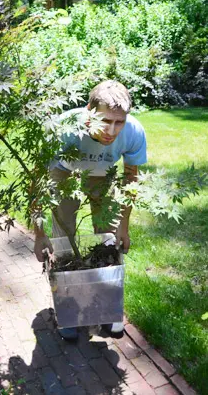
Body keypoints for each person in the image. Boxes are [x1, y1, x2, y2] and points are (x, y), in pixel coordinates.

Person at [33, 80, 147, 340]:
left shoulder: (133, 131)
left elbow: (131, 178)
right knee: (64, 235)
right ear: (89, 112)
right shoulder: (63, 129)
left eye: (119, 122)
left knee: (107, 237)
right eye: (105, 121)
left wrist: (124, 225)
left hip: (102, 175)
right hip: (65, 171)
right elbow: (37, 182)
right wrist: (39, 234)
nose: (112, 130)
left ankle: (107, 310)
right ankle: (69, 308)